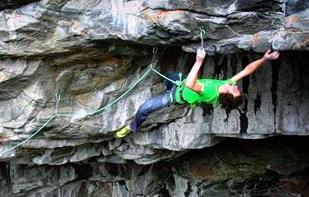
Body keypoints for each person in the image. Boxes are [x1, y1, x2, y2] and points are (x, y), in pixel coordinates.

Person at [116, 49, 280, 138]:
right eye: (237, 89)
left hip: (175, 95)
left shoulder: (210, 93)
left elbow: (190, 84)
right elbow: (247, 70)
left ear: (229, 95)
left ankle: (132, 127)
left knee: (145, 108)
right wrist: (264, 59)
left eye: (236, 91)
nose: (237, 88)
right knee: (170, 74)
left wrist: (199, 61)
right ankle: (166, 83)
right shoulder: (228, 84)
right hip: (179, 82)